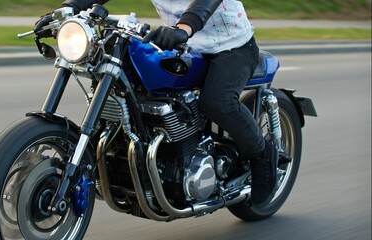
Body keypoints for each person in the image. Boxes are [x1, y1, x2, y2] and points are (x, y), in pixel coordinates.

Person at [35, 0, 278, 206]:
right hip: (184, 44)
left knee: (217, 102)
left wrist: (184, 27)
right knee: (129, 88)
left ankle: (263, 155)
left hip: (230, 46)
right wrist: (69, 8)